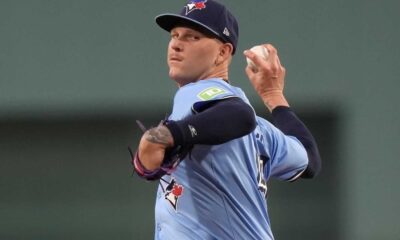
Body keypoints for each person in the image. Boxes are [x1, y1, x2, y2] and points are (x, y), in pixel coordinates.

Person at [131, 0, 321, 239]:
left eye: (192, 37)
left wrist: (170, 134)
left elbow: (238, 114)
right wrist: (274, 96)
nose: (176, 45)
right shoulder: (262, 131)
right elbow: (310, 159)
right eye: (175, 35)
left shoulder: (196, 95)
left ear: (222, 52)